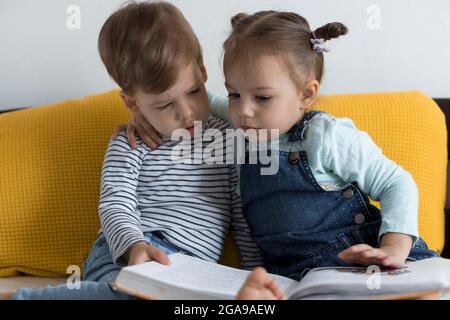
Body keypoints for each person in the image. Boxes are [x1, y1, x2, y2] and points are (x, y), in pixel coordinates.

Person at [121, 9, 440, 289]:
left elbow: (396, 182)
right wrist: (145, 111)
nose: (243, 110)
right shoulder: (244, 130)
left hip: (366, 259)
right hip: (292, 278)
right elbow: (193, 105)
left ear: (306, 94)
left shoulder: (325, 136)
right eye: (234, 94)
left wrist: (393, 247)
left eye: (262, 98)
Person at [10, 1, 262, 300]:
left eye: (194, 91)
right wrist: (133, 245)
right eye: (165, 105)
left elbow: (241, 209)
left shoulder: (226, 136)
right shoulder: (132, 141)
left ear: (203, 72)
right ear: (133, 103)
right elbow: (114, 203)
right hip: (127, 253)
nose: (187, 113)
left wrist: (254, 270)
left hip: (191, 272)